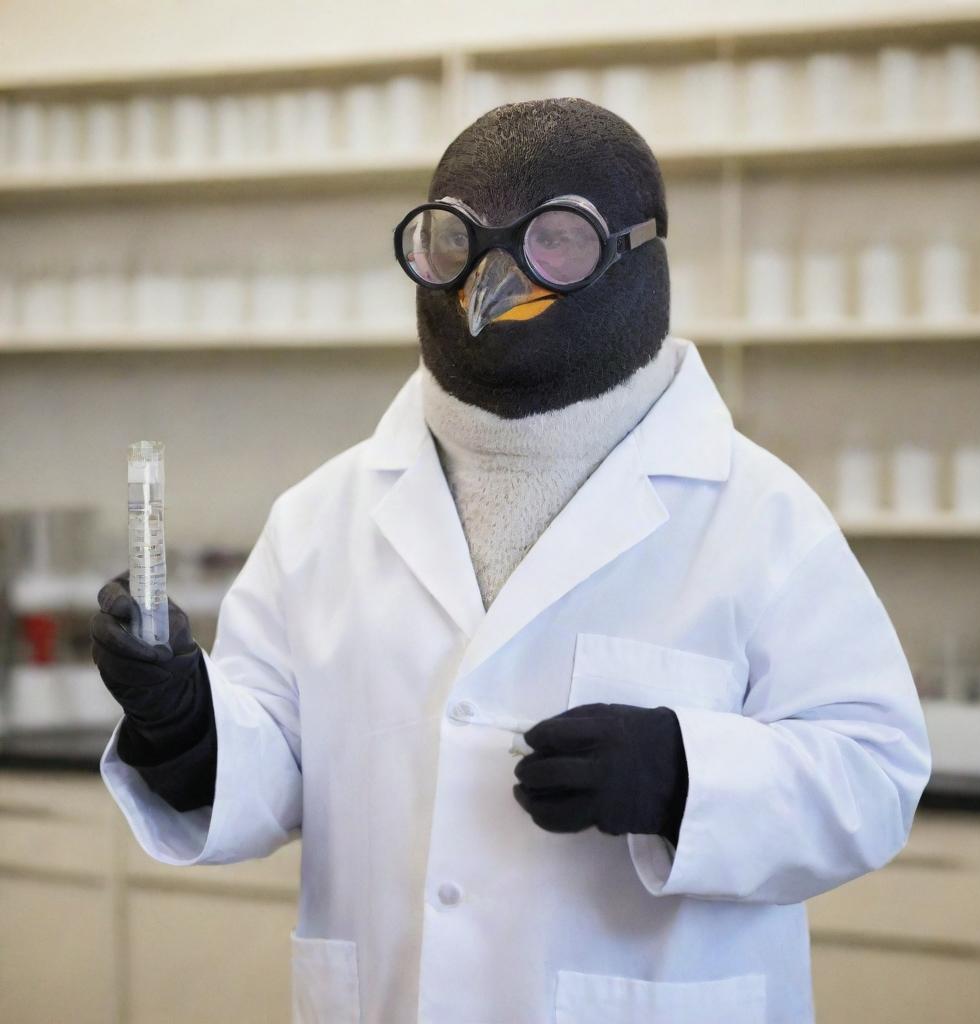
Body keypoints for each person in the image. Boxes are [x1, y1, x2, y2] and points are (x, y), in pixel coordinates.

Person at [92, 99, 931, 1024]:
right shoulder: (322, 517)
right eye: (454, 243)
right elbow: (280, 767)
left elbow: (876, 771)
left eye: (555, 240)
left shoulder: (758, 516)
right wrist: (186, 726)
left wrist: (686, 775)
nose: (487, 282)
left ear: (640, 257)